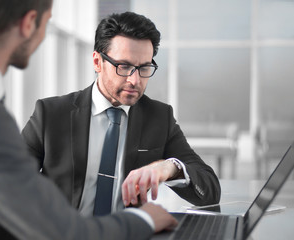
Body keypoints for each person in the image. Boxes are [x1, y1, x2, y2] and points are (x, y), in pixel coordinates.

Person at [0, 1, 178, 239]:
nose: (134, 79)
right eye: (47, 22)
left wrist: (169, 166)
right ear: (29, 22)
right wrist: (145, 219)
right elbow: (63, 232)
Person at [22, 11, 221, 216]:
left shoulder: (159, 118)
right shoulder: (51, 115)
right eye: (124, 66)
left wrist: (169, 168)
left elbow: (211, 190)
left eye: (144, 68)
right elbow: (8, 181)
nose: (135, 80)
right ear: (98, 62)